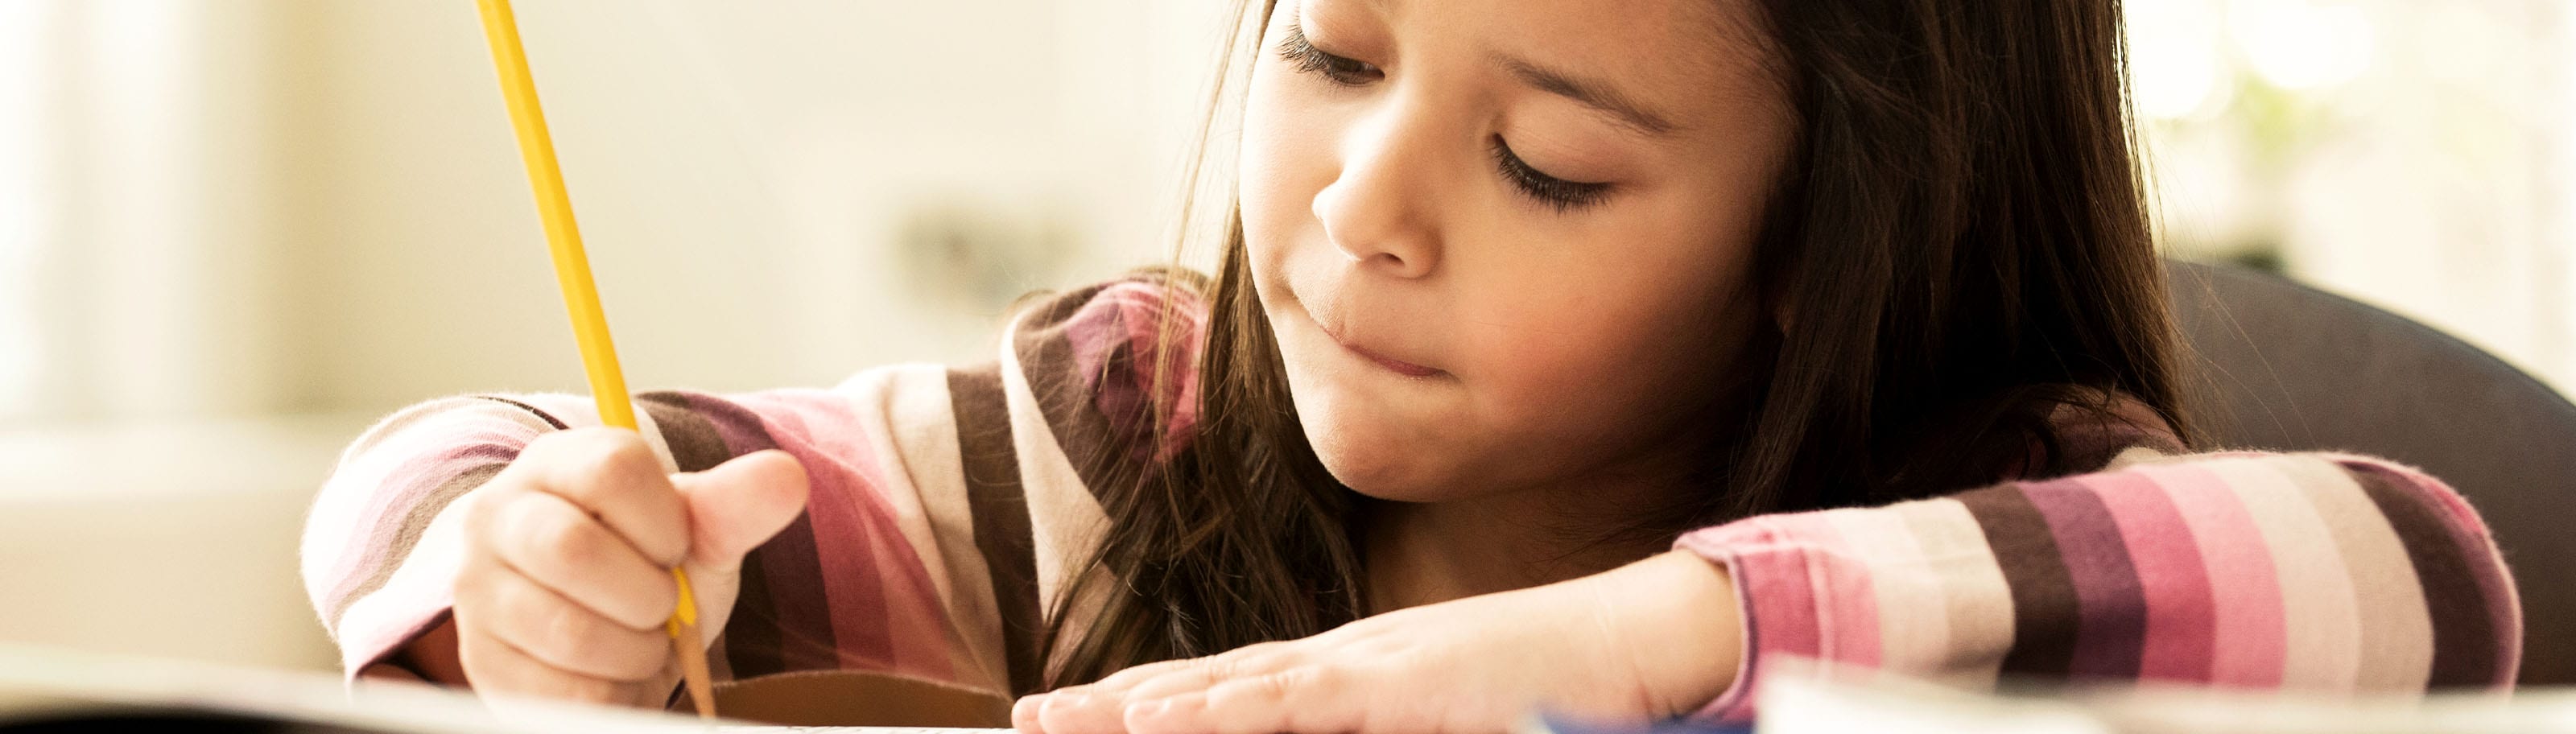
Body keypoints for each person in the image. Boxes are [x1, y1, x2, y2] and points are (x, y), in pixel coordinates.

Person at [301, 0, 2521, 731]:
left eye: (1549, 163)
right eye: (1333, 50)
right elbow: (458, 473)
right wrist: (526, 559)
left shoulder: (1987, 511)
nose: (1362, 200)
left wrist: (1618, 647)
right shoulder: (1124, 444)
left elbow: (2422, 575)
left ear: (1820, 240)